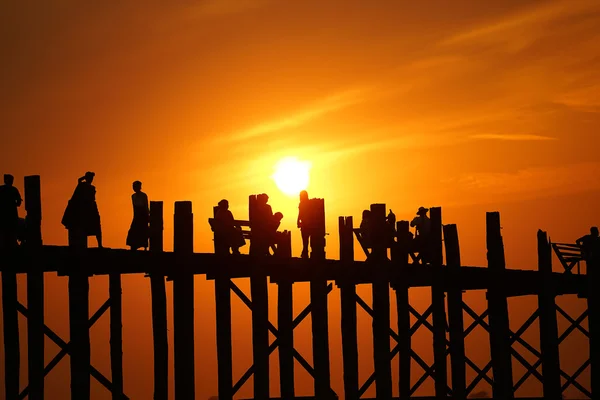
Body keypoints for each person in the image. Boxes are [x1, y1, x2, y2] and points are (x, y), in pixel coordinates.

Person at [62, 172, 103, 248]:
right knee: (85, 228)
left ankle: (100, 245)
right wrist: (84, 177)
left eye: (92, 178)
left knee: (97, 227)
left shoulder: (90, 187)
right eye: (90, 178)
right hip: (86, 209)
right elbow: (79, 180)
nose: (91, 179)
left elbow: (92, 199)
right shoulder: (82, 186)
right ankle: (97, 245)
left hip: (91, 208)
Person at [0, 174, 22, 248]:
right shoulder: (13, 189)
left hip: (4, 213)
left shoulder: (1, 189)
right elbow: (19, 202)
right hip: (11, 213)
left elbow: (18, 202)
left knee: (5, 228)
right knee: (11, 228)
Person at [126, 181, 149, 250]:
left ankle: (145, 247)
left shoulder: (144, 195)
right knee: (133, 231)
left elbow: (146, 206)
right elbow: (134, 207)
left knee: (143, 230)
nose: (134, 188)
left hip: (143, 215)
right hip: (136, 215)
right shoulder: (133, 196)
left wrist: (147, 215)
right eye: (133, 187)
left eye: (135, 186)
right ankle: (133, 246)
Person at [297, 190, 314, 258]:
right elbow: (300, 213)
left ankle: (305, 252)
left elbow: (300, 213)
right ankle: (305, 252)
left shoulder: (303, 203)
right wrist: (298, 220)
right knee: (306, 240)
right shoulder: (308, 203)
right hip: (306, 224)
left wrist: (298, 221)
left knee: (305, 240)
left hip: (306, 224)